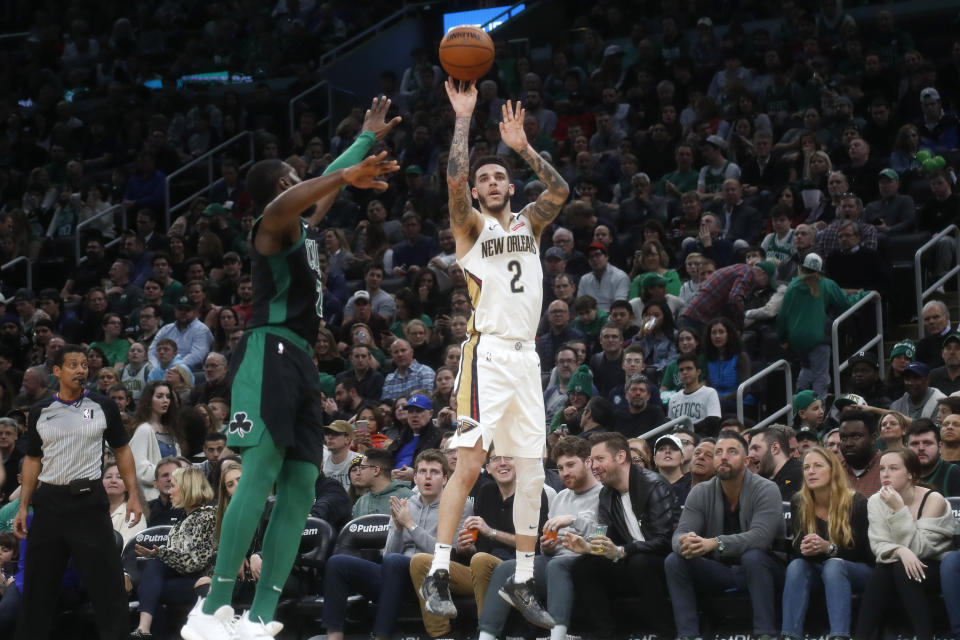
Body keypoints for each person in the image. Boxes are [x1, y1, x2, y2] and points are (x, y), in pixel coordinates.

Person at [181, 97, 401, 640]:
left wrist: (364, 141)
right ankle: (216, 604)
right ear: (276, 188)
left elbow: (325, 181)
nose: (303, 180)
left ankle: (259, 616)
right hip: (265, 353)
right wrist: (346, 171)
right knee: (256, 476)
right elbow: (308, 191)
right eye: (290, 177)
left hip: (301, 360)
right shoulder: (271, 225)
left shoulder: (301, 227)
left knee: (301, 487)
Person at [421, 80, 569, 627]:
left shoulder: (529, 223)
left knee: (533, 471)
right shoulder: (471, 227)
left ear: (510, 185)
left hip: (528, 359)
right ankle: (438, 569)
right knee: (470, 463)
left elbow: (560, 192)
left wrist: (525, 147)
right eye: (484, 178)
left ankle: (525, 579)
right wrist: (463, 118)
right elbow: (455, 178)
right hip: (486, 358)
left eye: (498, 175)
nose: (489, 181)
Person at [14, 344, 142, 640]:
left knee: (107, 587)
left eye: (84, 364)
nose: (81, 370)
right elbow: (33, 459)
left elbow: (122, 451)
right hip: (48, 504)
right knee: (38, 588)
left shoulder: (102, 406)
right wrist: (23, 505)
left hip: (88, 503)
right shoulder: (40, 411)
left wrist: (133, 493)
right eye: (73, 364)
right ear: (56, 371)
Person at [476, 436, 602, 640]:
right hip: (555, 558)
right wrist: (547, 545)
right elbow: (545, 546)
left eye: (570, 465)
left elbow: (602, 534)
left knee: (556, 565)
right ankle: (486, 635)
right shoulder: (561, 497)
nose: (565, 472)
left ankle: (557, 635)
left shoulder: (603, 494)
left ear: (588, 463)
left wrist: (573, 520)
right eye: (560, 468)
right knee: (506, 568)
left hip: (585, 558)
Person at [558, 432, 682, 639]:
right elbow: (603, 535)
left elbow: (664, 540)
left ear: (621, 457)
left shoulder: (653, 485)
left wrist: (624, 550)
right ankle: (605, 633)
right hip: (629, 557)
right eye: (591, 460)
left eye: (599, 459)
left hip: (662, 559)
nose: (593, 466)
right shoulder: (606, 494)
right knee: (584, 565)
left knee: (640, 562)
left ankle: (665, 632)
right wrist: (588, 547)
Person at [664, 430, 785, 640]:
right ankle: (688, 635)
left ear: (746, 460)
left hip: (764, 569)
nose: (724, 457)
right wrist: (686, 542)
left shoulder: (767, 489)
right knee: (675, 560)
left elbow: (761, 538)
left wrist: (715, 543)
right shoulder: (700, 492)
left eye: (732, 452)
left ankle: (765, 634)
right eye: (719, 452)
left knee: (753, 557)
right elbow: (679, 533)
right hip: (722, 569)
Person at [323, 450, 455, 640]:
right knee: (337, 563)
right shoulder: (404, 504)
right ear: (415, 478)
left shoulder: (458, 507)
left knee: (396, 561)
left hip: (430, 579)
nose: (427, 477)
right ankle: (334, 636)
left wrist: (410, 524)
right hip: (394, 577)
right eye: (422, 471)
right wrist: (399, 529)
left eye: (434, 472)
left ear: (444, 478)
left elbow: (449, 554)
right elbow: (388, 556)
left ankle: (380, 636)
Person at [856, 449, 954, 640]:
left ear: (911, 474)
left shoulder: (934, 500)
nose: (885, 474)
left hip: (933, 564)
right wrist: (901, 550)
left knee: (898, 569)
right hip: (896, 563)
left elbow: (921, 548)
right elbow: (878, 545)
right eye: (882, 468)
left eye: (893, 468)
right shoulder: (876, 501)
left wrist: (899, 510)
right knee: (885, 569)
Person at [781, 447, 873, 640]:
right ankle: (790, 635)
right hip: (820, 569)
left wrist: (828, 548)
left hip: (858, 570)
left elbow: (863, 552)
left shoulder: (855, 501)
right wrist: (805, 548)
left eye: (817, 466)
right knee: (796, 565)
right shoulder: (800, 501)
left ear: (833, 470)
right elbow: (797, 547)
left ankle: (839, 635)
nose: (811, 471)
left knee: (834, 565)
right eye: (806, 468)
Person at [129, 467, 216, 639]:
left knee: (152, 584)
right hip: (185, 579)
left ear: (187, 488)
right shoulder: (183, 521)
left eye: (174, 486)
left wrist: (160, 554)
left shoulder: (208, 516)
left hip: (206, 581)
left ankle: (144, 629)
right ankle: (144, 630)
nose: (170, 491)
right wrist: (159, 555)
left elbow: (194, 563)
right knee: (150, 586)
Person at [777, 252, 867, 399]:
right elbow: (845, 303)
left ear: (802, 268)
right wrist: (864, 294)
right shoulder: (825, 284)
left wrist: (782, 338)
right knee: (821, 376)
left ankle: (798, 406)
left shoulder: (792, 286)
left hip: (797, 339)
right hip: (817, 337)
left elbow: (782, 316)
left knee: (806, 369)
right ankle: (818, 412)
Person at [129, 380, 184, 500]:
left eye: (168, 397)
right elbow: (139, 469)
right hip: (151, 497)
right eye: (159, 396)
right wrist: (168, 474)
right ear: (149, 400)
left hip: (174, 495)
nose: (165, 400)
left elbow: (179, 462)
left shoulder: (170, 430)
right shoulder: (144, 430)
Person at [350, 448, 415, 518]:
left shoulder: (409, 498)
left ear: (376, 471)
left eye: (362, 468)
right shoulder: (361, 502)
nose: (359, 472)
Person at [668, 354, 721, 434]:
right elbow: (670, 426)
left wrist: (688, 431)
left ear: (698, 372)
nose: (685, 372)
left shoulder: (710, 393)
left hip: (701, 439)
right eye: (681, 370)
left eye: (689, 368)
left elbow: (713, 421)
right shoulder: (673, 398)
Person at [906, 419, 960, 497]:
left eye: (927, 443)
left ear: (940, 447)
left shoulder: (955, 474)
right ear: (906, 447)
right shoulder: (899, 474)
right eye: (915, 443)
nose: (921, 448)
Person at [748, 425, 804, 500]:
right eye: (791, 450)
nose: (797, 455)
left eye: (756, 448)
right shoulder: (759, 473)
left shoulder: (798, 472)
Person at [838, 410, 883, 497]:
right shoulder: (835, 472)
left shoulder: (889, 468)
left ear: (873, 438)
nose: (848, 443)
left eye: (856, 437)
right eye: (843, 438)